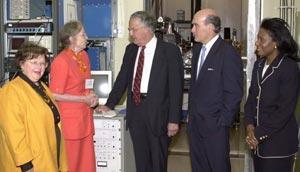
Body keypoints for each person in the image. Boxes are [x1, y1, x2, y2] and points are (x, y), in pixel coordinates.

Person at [98, 11, 184, 172]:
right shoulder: (130, 50)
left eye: (133, 29)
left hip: (159, 114)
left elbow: (176, 87)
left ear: (147, 29)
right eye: (130, 30)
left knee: (158, 161)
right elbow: (122, 80)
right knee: (141, 161)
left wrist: (174, 119)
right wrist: (109, 104)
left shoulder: (169, 51)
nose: (130, 34)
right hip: (136, 113)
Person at [187, 9, 243, 172]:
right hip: (195, 125)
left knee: (218, 167)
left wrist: (222, 123)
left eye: (195, 25)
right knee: (199, 167)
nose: (192, 30)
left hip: (215, 128)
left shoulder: (228, 53)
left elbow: (234, 93)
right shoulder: (198, 50)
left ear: (210, 27)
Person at [0, 42, 68, 172]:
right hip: (29, 165)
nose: (39, 67)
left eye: (43, 63)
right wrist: (26, 165)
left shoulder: (42, 87)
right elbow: (13, 134)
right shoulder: (10, 91)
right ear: (21, 64)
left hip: (47, 158)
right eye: (34, 62)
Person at [244, 18, 300, 172]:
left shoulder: (289, 67)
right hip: (257, 143)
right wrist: (249, 128)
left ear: (275, 42)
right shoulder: (258, 64)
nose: (257, 43)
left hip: (278, 145)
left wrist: (257, 134)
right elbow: (250, 101)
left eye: (261, 39)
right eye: (257, 38)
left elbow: (284, 111)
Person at [49, 21, 98, 172]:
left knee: (87, 162)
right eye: (83, 34)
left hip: (85, 118)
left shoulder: (84, 56)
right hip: (71, 122)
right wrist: (82, 99)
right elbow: (54, 94)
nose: (87, 37)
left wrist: (92, 97)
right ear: (71, 39)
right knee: (72, 163)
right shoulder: (61, 61)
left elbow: (86, 85)